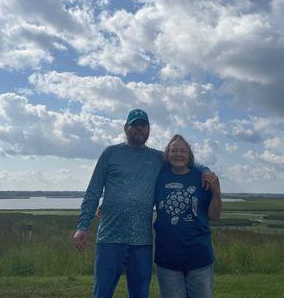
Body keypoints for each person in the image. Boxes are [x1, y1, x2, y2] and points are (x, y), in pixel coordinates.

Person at [73, 109, 212, 298]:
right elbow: (93, 191)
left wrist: (205, 170)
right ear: (126, 128)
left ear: (148, 129)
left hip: (142, 243)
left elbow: (184, 159)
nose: (139, 129)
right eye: (134, 125)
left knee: (140, 294)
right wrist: (83, 226)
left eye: (143, 125)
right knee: (102, 293)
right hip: (110, 238)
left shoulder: (157, 158)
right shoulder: (111, 153)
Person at [154, 134, 221, 298]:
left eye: (183, 151)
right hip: (168, 259)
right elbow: (139, 195)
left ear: (189, 154)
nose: (178, 154)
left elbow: (214, 216)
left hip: (199, 258)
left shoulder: (202, 177)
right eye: (174, 150)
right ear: (167, 154)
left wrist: (217, 192)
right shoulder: (158, 176)